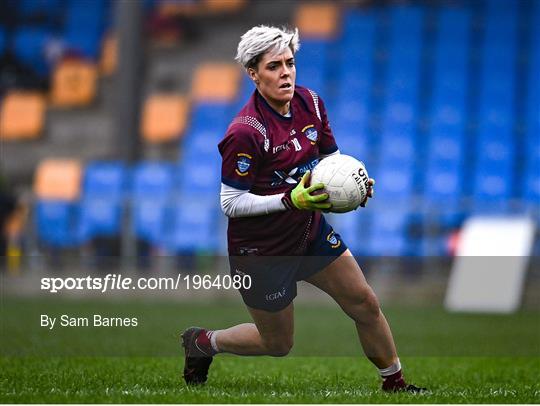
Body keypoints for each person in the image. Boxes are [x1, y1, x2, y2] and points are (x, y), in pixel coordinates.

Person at [182, 25, 425, 393]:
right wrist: (289, 199)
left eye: (290, 63)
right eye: (274, 66)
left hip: (308, 232)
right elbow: (230, 202)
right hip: (262, 251)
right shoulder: (245, 132)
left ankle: (395, 383)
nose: (285, 73)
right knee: (278, 344)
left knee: (364, 303)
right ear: (253, 73)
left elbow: (331, 160)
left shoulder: (310, 103)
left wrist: (354, 183)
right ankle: (204, 342)